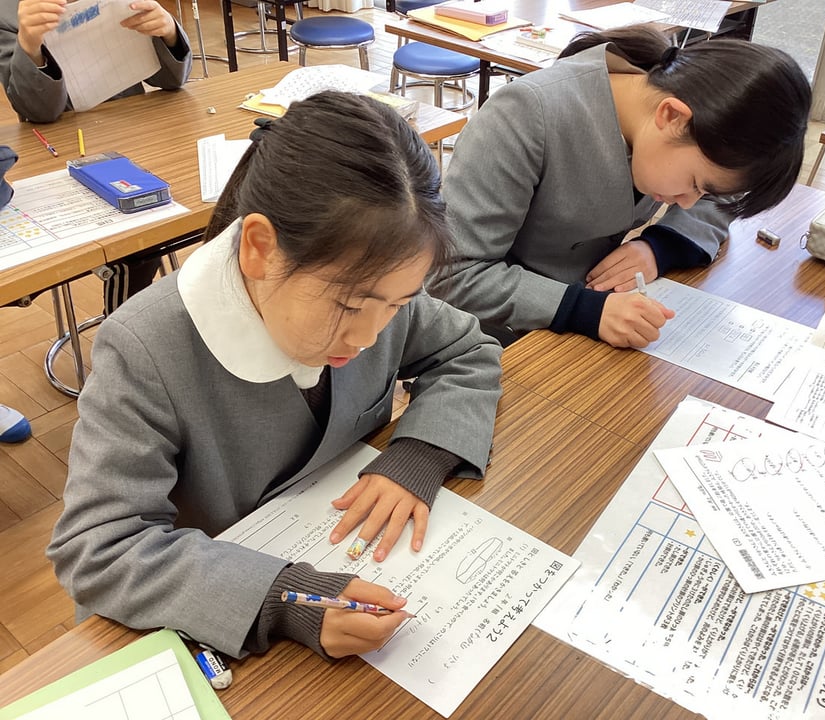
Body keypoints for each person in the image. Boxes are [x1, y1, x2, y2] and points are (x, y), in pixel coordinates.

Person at [47, 92, 503, 661]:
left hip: (334, 551)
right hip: (207, 618)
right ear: (260, 248)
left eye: (398, 304)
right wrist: (282, 598)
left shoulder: (378, 286)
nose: (369, 335)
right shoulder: (145, 347)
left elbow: (466, 350)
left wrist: (417, 457)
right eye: (349, 306)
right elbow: (100, 548)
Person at [430, 25, 811, 349]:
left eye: (702, 191)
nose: (688, 202)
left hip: (593, 315)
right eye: (694, 184)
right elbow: (453, 274)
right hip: (499, 337)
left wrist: (660, 246)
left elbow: (724, 192)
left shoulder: (675, 113)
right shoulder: (526, 114)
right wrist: (581, 309)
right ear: (672, 116)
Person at [0, 0, 194, 312]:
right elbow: (40, 111)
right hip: (60, 156)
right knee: (135, 242)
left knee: (176, 211)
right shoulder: (9, 13)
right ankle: (122, 328)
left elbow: (171, 81)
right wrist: (30, 47)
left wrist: (168, 31)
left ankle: (153, 321)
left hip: (138, 142)